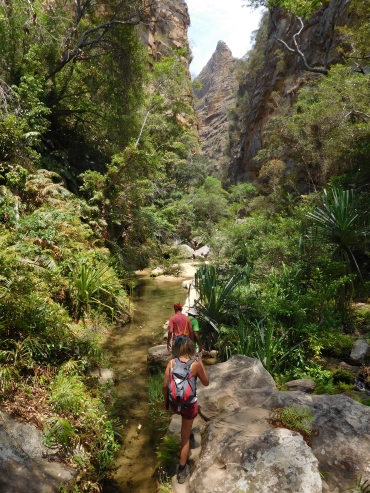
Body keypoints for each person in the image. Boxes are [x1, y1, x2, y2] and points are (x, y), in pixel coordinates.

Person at [163, 338, 209, 484]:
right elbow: (206, 382)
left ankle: (186, 436)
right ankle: (182, 470)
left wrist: (166, 402)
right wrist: (200, 360)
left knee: (184, 432)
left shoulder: (171, 363)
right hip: (189, 405)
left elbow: (165, 386)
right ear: (191, 349)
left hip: (175, 404)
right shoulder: (195, 365)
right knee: (184, 438)